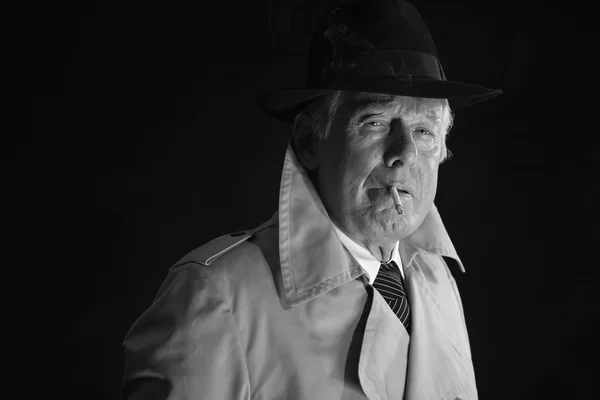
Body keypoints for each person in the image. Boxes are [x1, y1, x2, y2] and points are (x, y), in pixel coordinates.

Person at [121, 1, 502, 399]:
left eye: (424, 131)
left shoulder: (435, 279)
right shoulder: (214, 297)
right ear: (308, 140)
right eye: (374, 122)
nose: (403, 152)